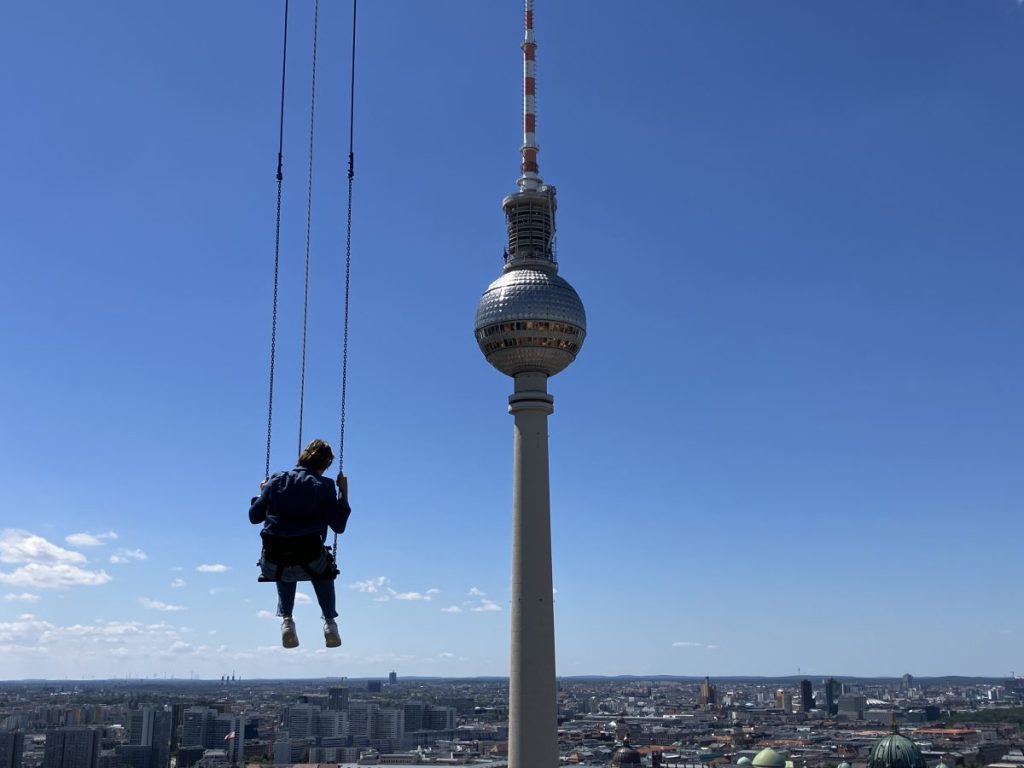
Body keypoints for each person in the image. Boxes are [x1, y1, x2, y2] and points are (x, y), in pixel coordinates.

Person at [249, 438, 351, 649]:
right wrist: (344, 494)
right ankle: (330, 623)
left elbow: (254, 516)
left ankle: (287, 621)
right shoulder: (324, 485)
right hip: (311, 560)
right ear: (325, 464)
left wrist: (263, 492)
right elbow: (339, 526)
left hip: (273, 563)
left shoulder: (276, 480)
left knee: (284, 555)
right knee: (322, 565)